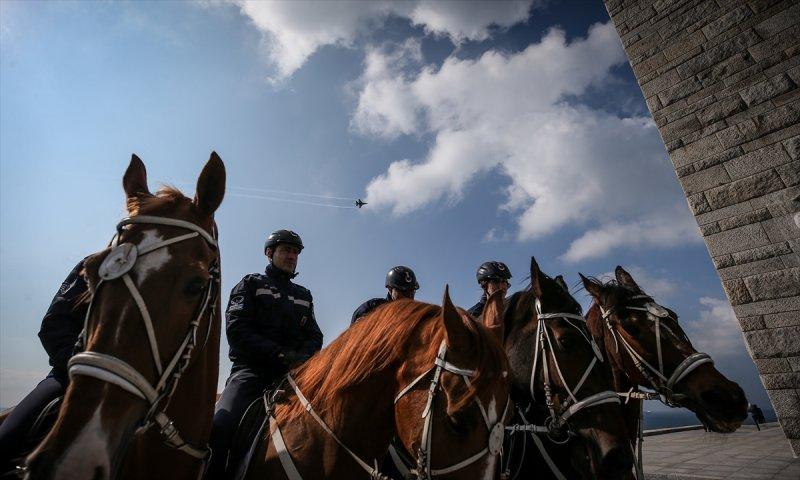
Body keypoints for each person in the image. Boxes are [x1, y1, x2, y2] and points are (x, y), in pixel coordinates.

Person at [207, 230, 323, 479]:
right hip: (251, 374)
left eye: (295, 252)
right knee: (220, 427)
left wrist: (301, 360)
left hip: (295, 376)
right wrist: (282, 355)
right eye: (286, 251)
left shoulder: (304, 294)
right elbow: (237, 330)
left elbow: (315, 337)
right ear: (269, 253)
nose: (292, 256)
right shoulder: (251, 284)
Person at [0, 259, 88, 473]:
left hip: (156, 385)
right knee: (6, 440)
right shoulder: (95, 265)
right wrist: (78, 366)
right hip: (72, 375)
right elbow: (55, 325)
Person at [351, 266, 419, 324]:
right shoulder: (371, 308)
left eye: (412, 291)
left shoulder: (416, 315)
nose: (409, 296)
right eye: (404, 291)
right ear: (390, 289)